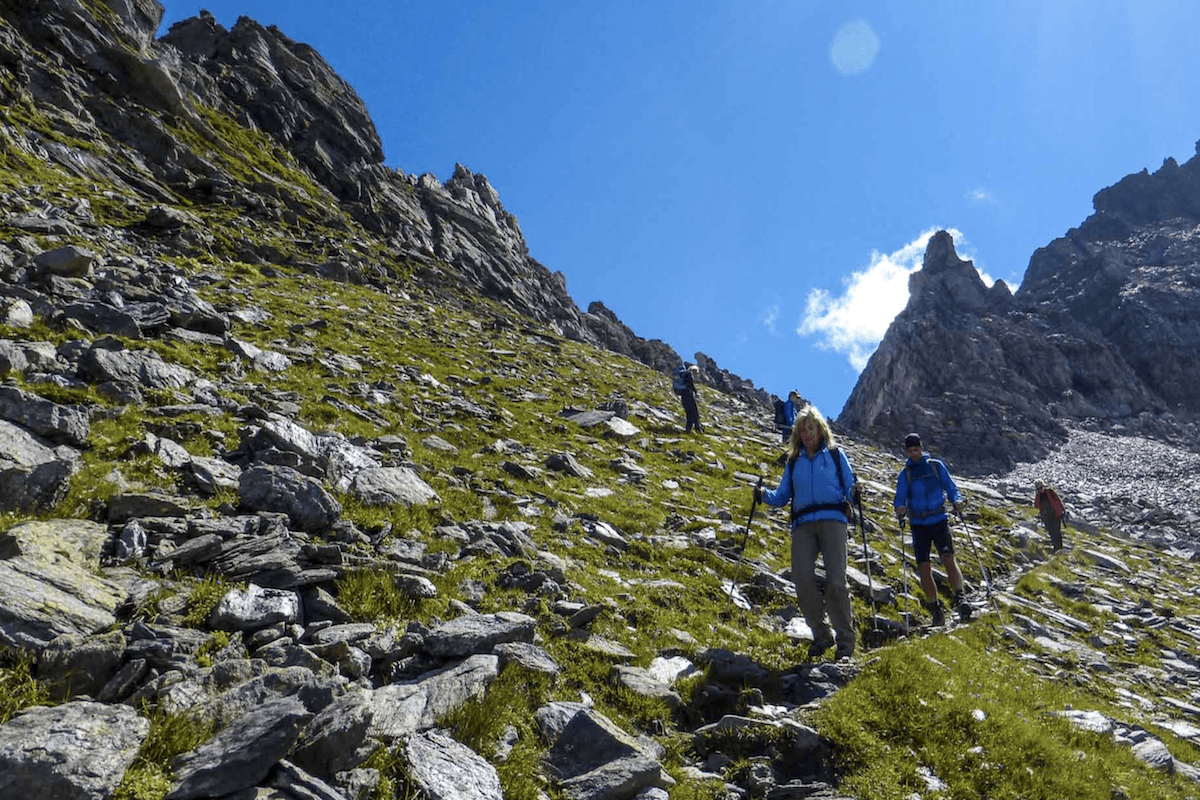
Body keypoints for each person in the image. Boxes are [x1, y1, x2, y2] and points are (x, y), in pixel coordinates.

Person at [755, 404, 860, 660]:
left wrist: (855, 492)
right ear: (798, 434)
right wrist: (763, 495)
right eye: (803, 430)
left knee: (836, 581)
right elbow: (782, 496)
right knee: (802, 578)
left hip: (833, 521)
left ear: (821, 429)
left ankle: (845, 641)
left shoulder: (835, 455)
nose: (808, 434)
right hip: (803, 525)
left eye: (812, 428)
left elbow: (849, 487)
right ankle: (821, 635)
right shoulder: (794, 462)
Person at [893, 433, 968, 626]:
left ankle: (961, 599)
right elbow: (900, 496)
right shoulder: (905, 474)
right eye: (910, 451)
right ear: (907, 451)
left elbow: (950, 487)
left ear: (921, 447)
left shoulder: (935, 465)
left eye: (916, 449)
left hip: (939, 520)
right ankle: (936, 609)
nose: (914, 453)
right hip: (918, 525)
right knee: (924, 567)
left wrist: (957, 500)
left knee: (948, 558)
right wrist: (899, 508)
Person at [1034, 478, 1065, 552]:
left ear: (1043, 485)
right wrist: (1038, 495)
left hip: (1055, 514)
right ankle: (1056, 547)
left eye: (1040, 487)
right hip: (1046, 517)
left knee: (1056, 531)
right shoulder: (1039, 495)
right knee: (1051, 532)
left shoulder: (1050, 492)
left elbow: (1057, 501)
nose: (1040, 489)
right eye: (1038, 488)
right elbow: (1036, 505)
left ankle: (1059, 548)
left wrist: (1061, 511)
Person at [678, 364, 703, 434]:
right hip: (689, 395)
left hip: (683, 397)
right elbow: (691, 384)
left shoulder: (683, 376)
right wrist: (695, 391)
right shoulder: (689, 374)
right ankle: (698, 429)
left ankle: (688, 430)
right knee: (695, 413)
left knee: (689, 414)